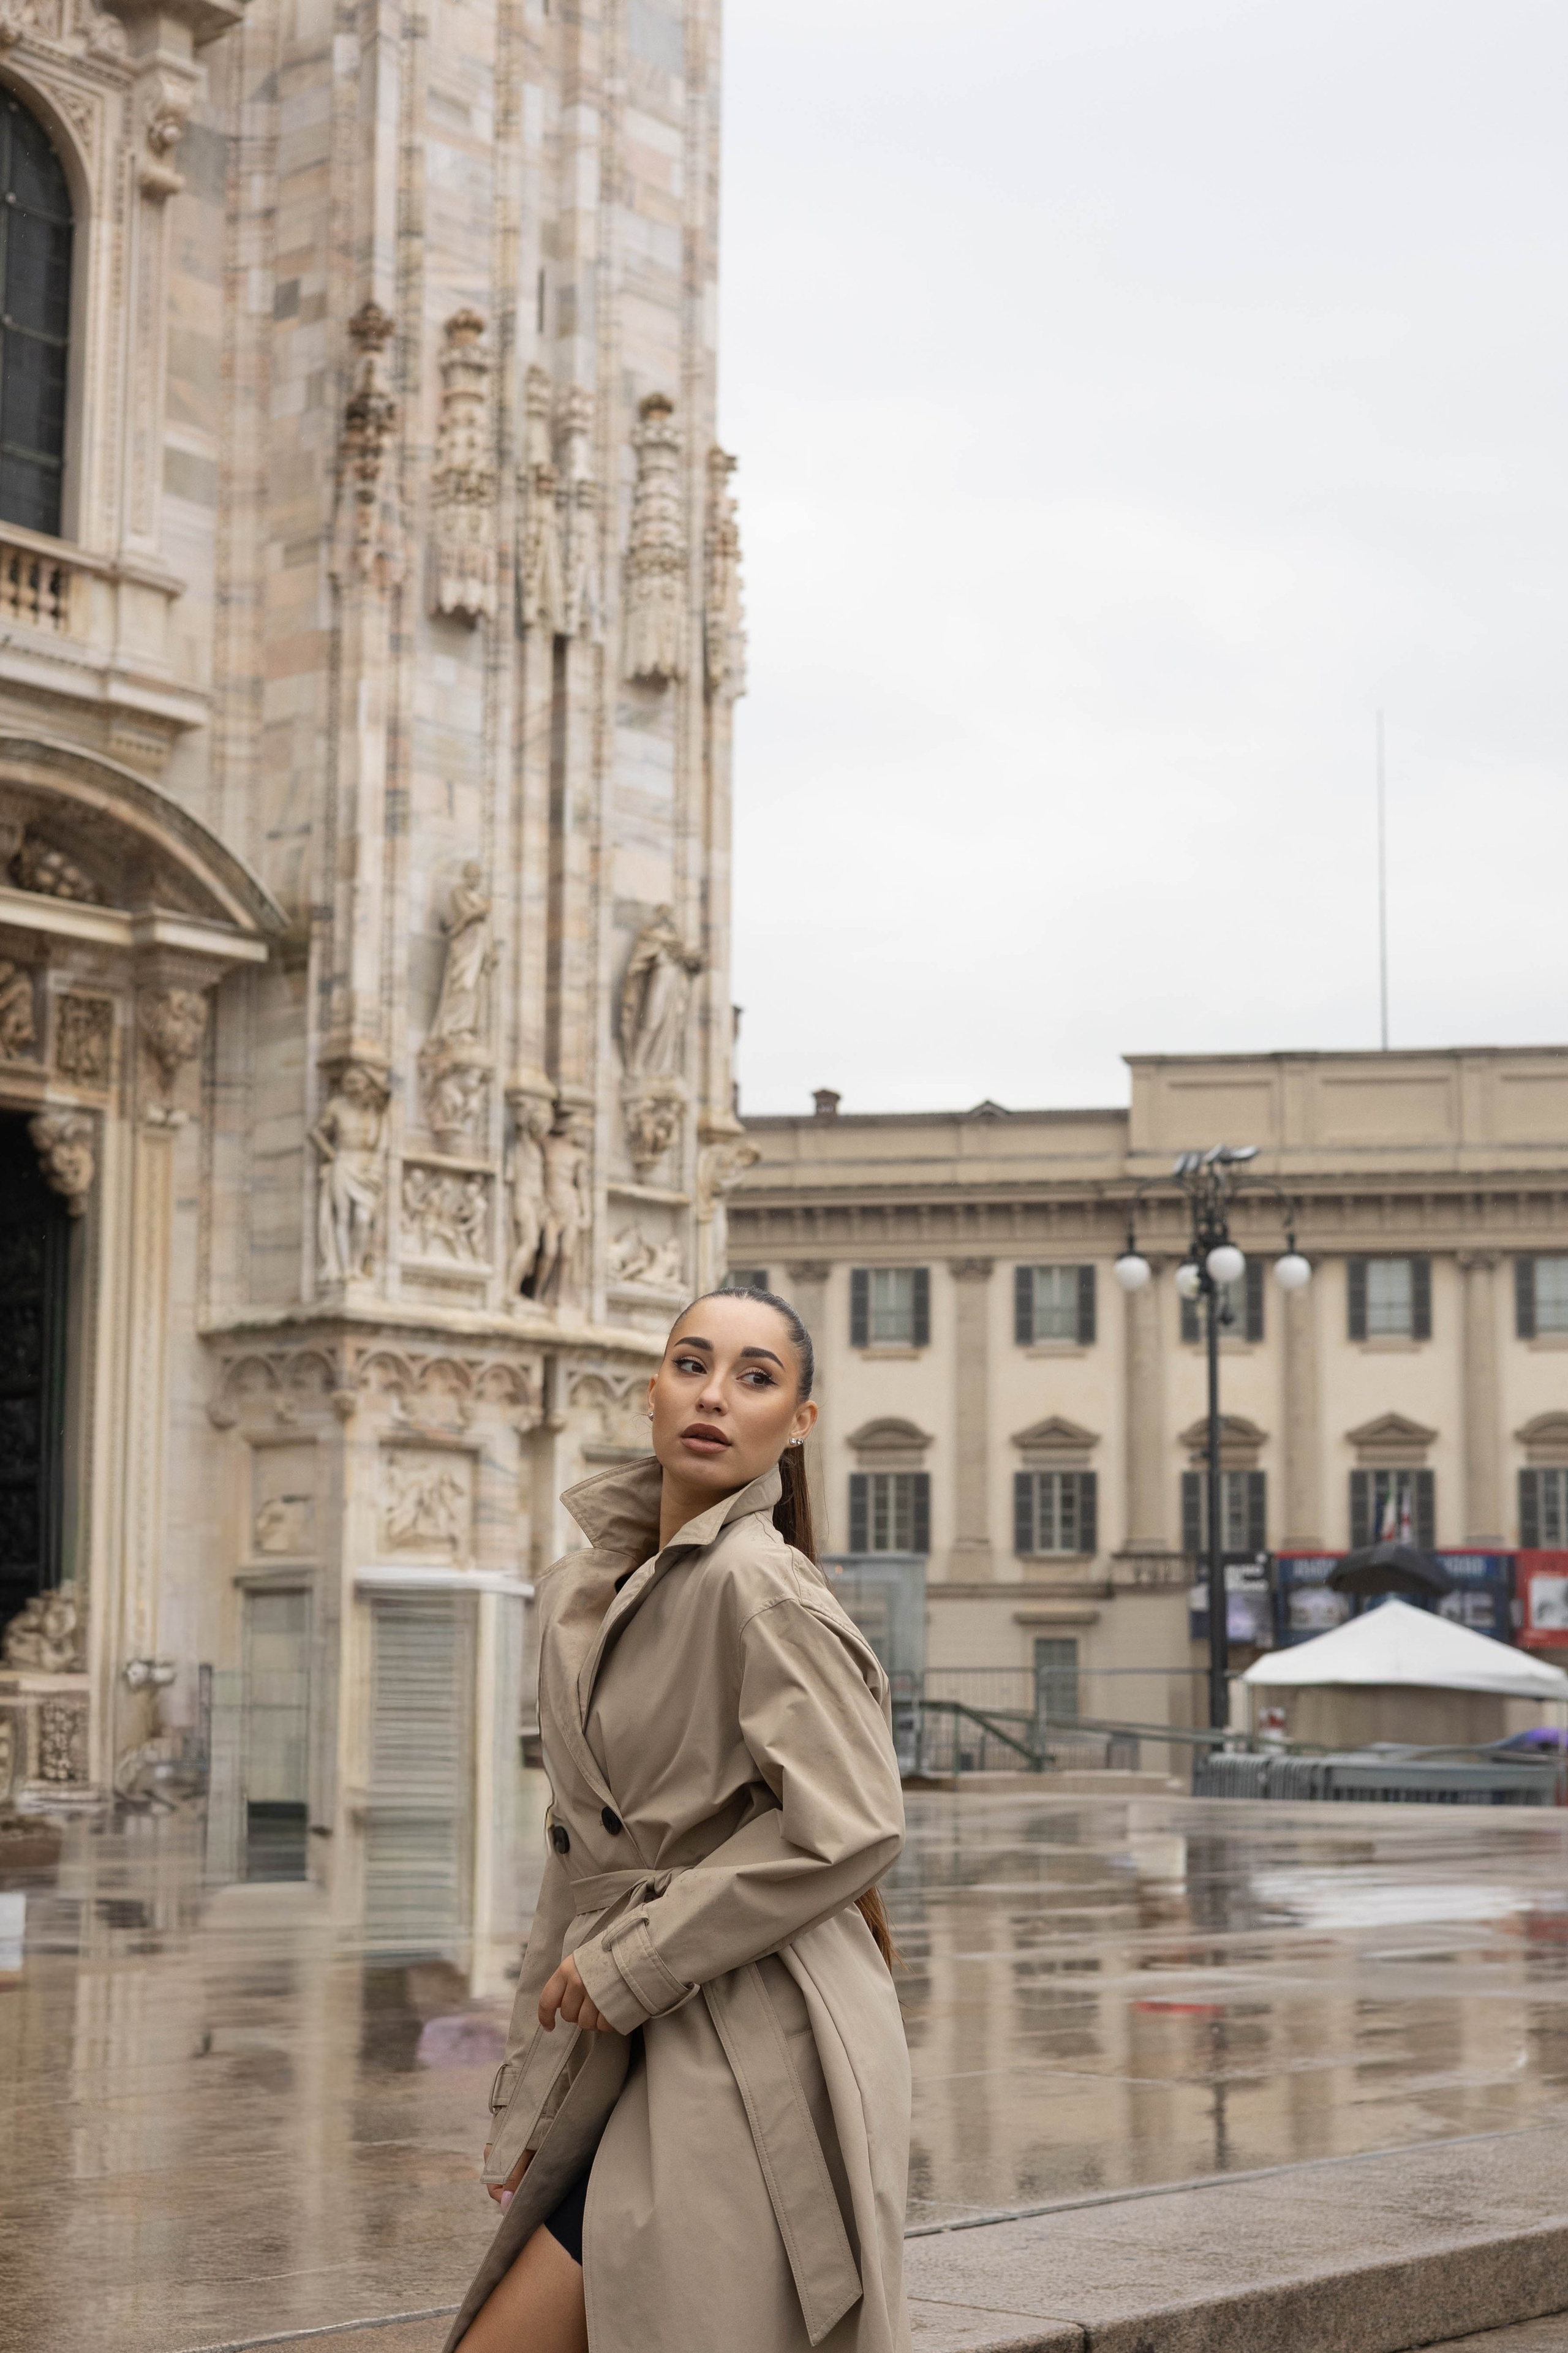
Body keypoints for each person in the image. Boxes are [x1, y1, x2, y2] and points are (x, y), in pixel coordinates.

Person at [447, 1287, 910, 2353]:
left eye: (756, 1377)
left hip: (760, 2024)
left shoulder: (762, 1585)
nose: (714, 1395)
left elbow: (852, 1824)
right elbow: (578, 1867)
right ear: (652, 1389)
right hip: (640, 2016)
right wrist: (530, 2094)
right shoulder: (585, 1588)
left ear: (798, 1422)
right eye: (691, 1363)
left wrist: (635, 1961)